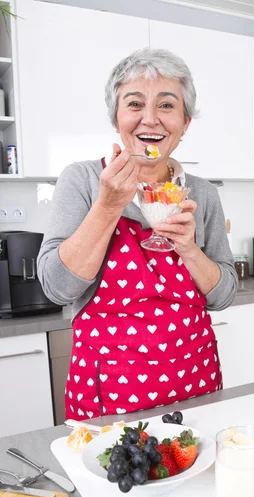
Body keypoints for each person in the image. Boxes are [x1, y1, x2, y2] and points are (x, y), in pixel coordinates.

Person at [38, 47, 237, 421]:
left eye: (166, 105)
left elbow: (224, 295)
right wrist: (109, 205)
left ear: (185, 121)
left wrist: (191, 250)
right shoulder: (82, 180)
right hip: (109, 388)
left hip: (194, 381)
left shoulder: (203, 193)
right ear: (117, 118)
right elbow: (57, 287)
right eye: (134, 104)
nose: (151, 120)